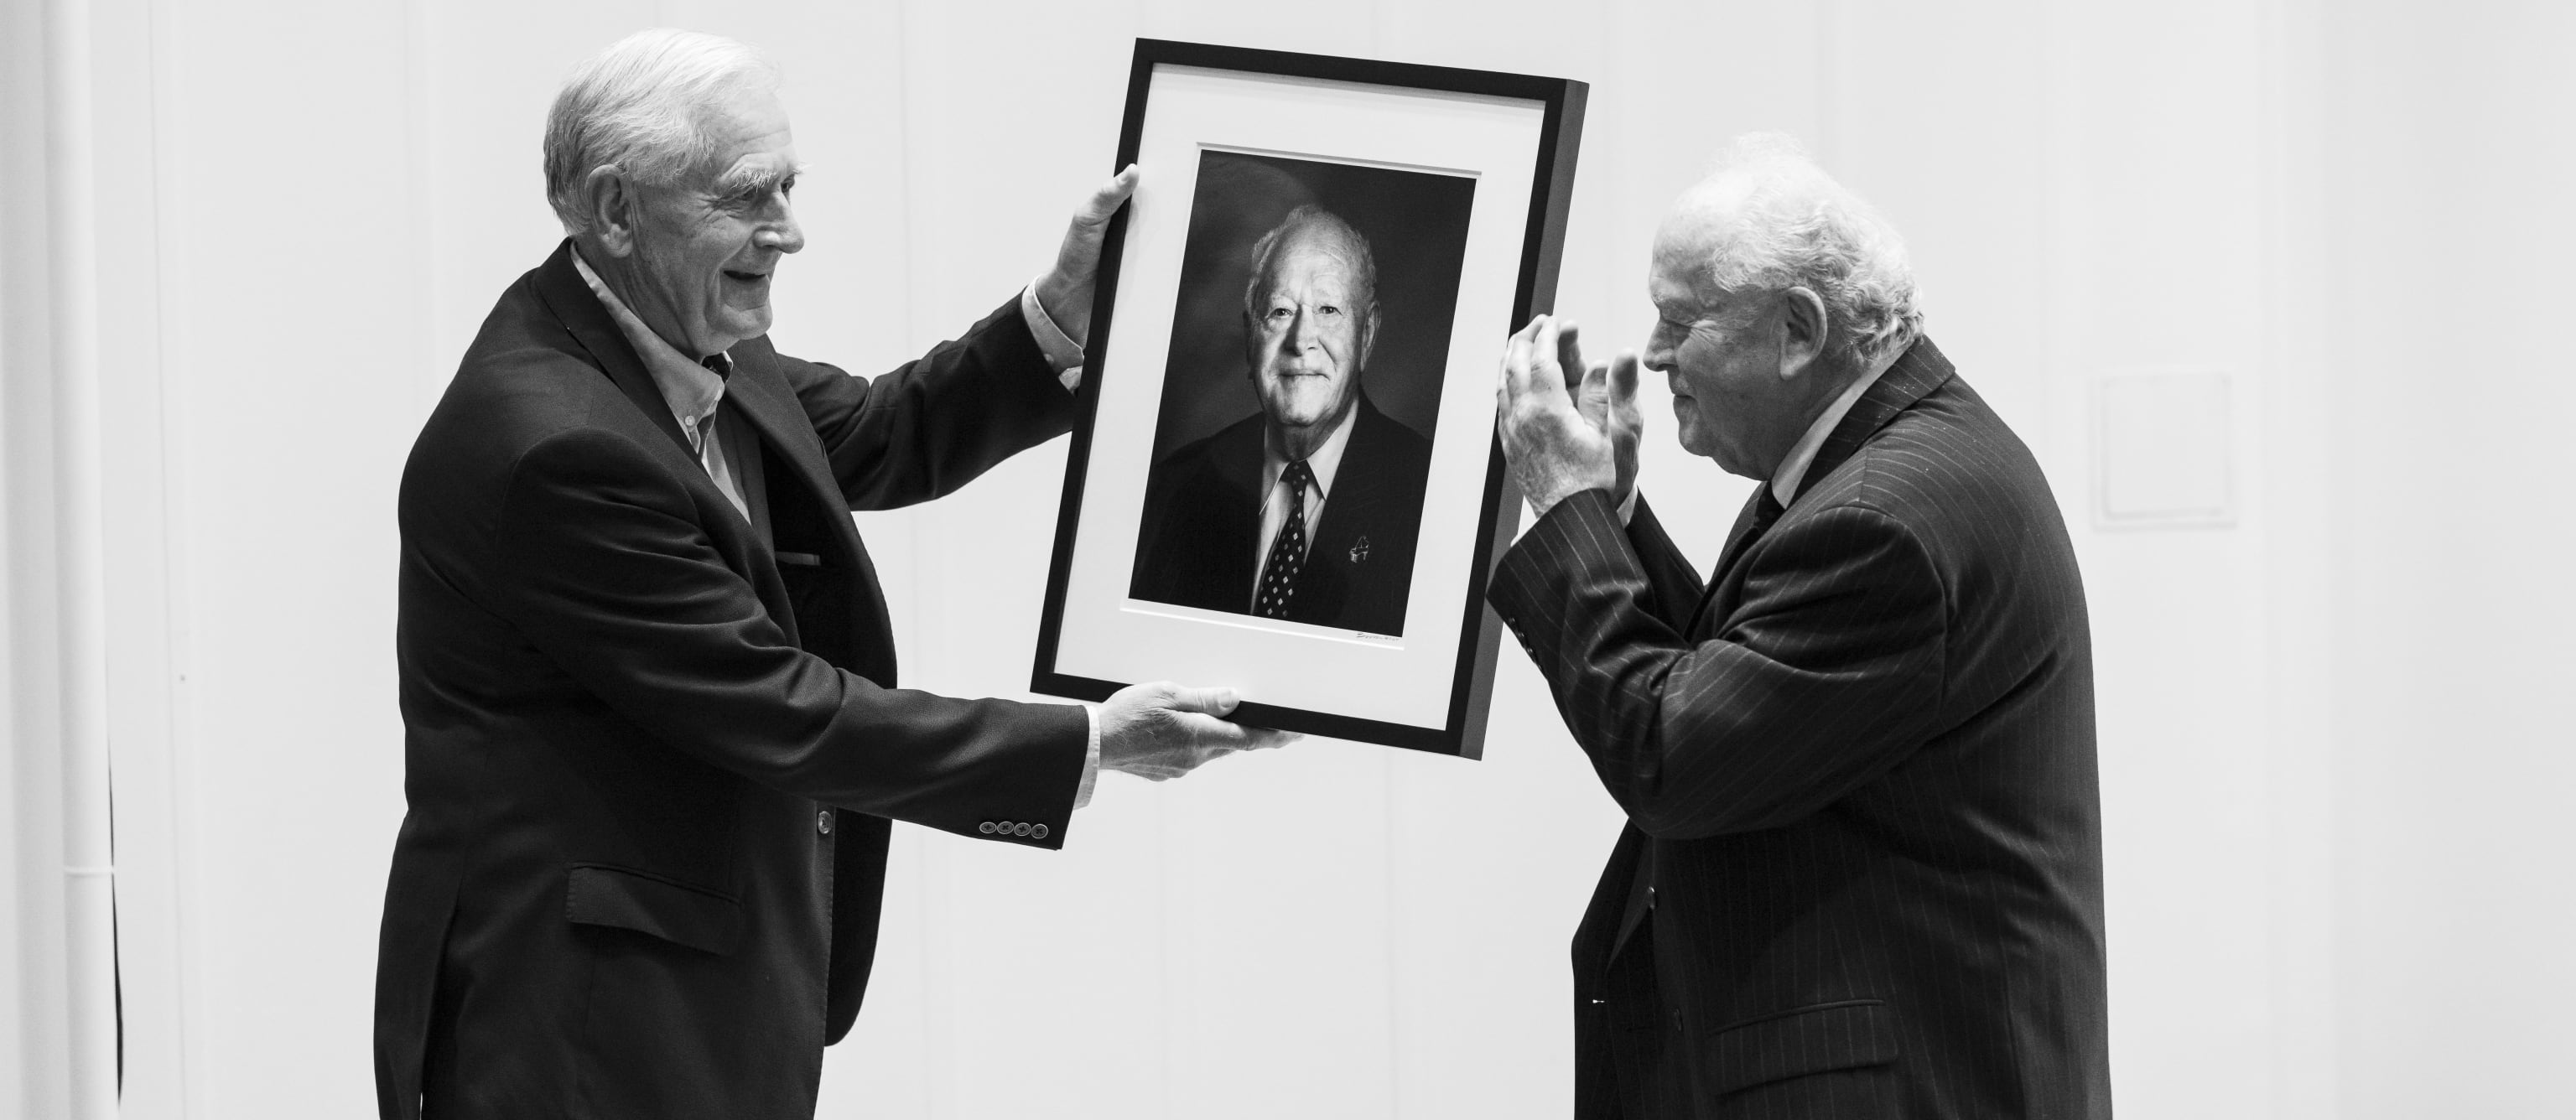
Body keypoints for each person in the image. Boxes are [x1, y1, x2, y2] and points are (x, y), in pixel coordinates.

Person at [374, 29, 1285, 1120]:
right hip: (580, 1028)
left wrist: (1062, 311)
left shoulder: (672, 333)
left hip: (690, 991)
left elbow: (883, 430)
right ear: (616, 210)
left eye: (789, 186)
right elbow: (787, 711)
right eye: (748, 196)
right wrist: (1091, 744)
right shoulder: (556, 451)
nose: (790, 232)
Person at [1489, 134, 2109, 1118]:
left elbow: (1674, 751)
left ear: (1798, 330)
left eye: (1680, 319)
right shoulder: (1884, 466)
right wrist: (1608, 513)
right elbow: (1742, 676)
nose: (1651, 355)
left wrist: (1565, 507)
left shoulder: (1886, 518)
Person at [1130, 205, 1432, 636]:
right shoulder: (1175, 489)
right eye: (1281, 312)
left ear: (1366, 336)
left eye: (1328, 310)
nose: (1300, 341)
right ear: (1251, 337)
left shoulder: (1428, 495)